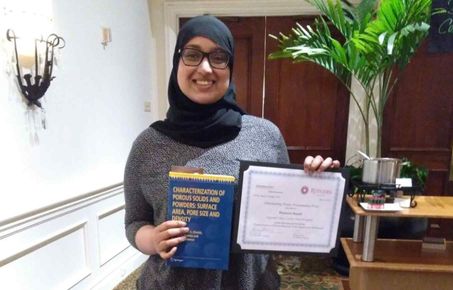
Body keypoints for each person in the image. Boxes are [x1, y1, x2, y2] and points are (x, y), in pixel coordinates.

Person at [124, 15, 340, 290]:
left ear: (230, 67)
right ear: (177, 62)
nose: (205, 68)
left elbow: (285, 216)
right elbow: (134, 223)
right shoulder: (148, 145)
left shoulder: (265, 136)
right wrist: (153, 239)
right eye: (192, 55)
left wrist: (314, 180)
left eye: (218, 57)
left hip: (251, 284)